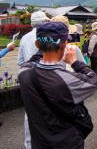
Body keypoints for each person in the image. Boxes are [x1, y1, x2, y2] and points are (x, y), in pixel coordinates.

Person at [18, 22, 97, 149]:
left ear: (37, 45)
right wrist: (74, 62)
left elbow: (30, 62)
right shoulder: (68, 79)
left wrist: (44, 48)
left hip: (38, 142)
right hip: (67, 142)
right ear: (64, 44)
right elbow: (95, 80)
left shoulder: (24, 74)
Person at [17, 11, 49, 149]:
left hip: (29, 80)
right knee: (48, 113)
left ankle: (29, 145)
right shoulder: (49, 37)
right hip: (46, 79)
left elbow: (20, 61)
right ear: (44, 22)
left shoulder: (24, 38)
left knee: (29, 114)